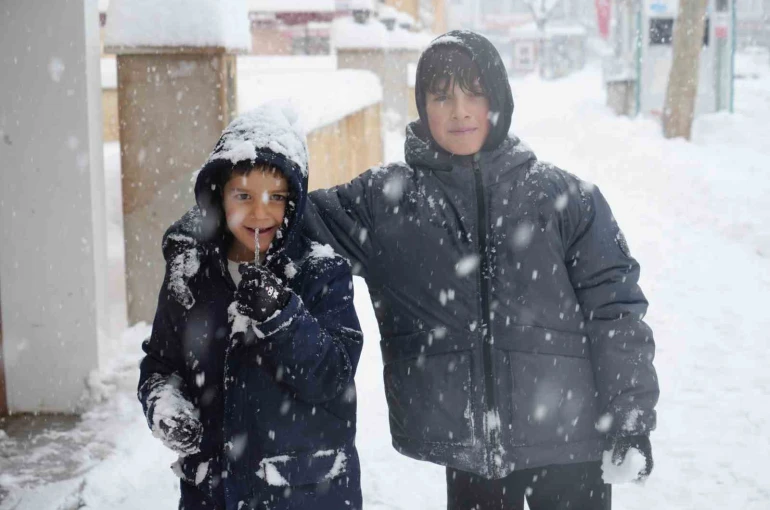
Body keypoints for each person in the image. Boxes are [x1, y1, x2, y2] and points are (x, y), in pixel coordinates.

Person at [302, 30, 659, 509]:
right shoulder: (387, 203)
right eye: (441, 96)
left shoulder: (565, 199)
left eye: (475, 92)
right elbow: (277, 220)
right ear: (422, 106)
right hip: (470, 455)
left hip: (573, 444)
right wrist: (240, 179)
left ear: (499, 98)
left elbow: (616, 311)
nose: (460, 111)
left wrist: (629, 414)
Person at [138, 102, 364, 510]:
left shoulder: (321, 274)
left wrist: (283, 316)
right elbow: (160, 364)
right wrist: (164, 405)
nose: (260, 213)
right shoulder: (189, 274)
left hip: (304, 495)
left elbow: (333, 378)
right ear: (218, 196)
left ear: (293, 203)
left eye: (276, 197)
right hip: (213, 493)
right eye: (243, 195)